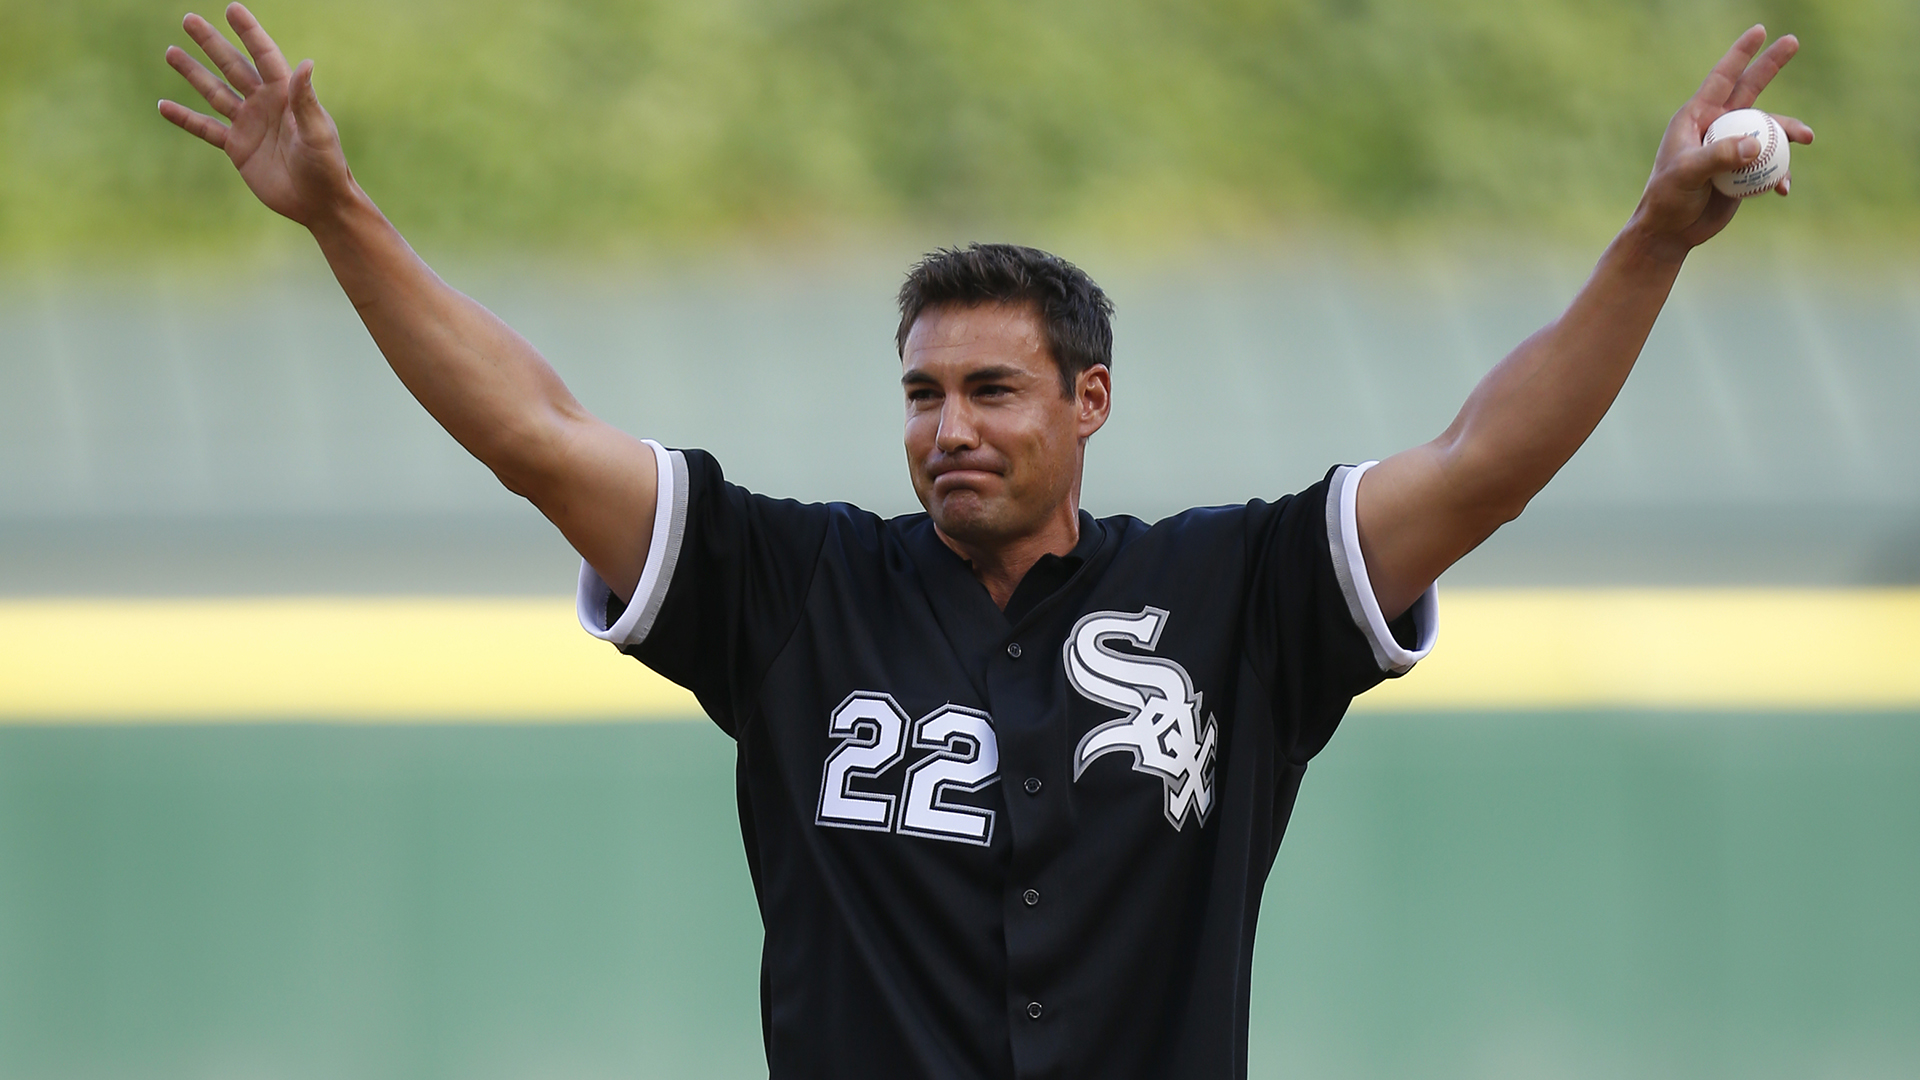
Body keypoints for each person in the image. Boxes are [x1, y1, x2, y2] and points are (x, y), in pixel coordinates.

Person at [160, 6, 1809, 1077]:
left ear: (1090, 398)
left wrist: (1655, 238)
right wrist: (338, 216)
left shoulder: (1232, 593)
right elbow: (534, 430)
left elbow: (1484, 461)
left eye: (995, 388)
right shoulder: (795, 591)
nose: (949, 424)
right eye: (923, 392)